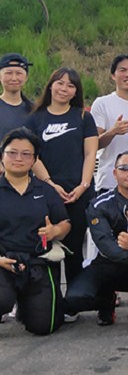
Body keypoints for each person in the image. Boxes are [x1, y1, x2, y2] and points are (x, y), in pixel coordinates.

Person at [62, 150, 128, 334]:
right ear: (115, 173)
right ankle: (106, 301)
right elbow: (105, 244)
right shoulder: (98, 204)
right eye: (124, 168)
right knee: (75, 298)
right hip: (109, 263)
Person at [25, 68, 98, 285]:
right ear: (51, 85)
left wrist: (83, 186)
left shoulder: (84, 117)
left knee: (74, 249)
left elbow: (90, 154)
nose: (64, 89)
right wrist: (50, 184)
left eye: (70, 85)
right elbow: (32, 156)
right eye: (60, 83)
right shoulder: (35, 119)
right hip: (45, 193)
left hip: (78, 193)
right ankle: (50, 297)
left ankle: (74, 298)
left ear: (76, 91)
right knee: (48, 249)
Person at [0, 127, 71, 335]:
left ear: (34, 160)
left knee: (44, 326)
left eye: (26, 154)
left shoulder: (45, 190)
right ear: (2, 156)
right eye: (12, 152)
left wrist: (54, 231)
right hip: (3, 261)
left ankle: (25, 306)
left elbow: (66, 223)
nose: (18, 158)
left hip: (37, 262)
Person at [91, 55, 128, 194]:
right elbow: (93, 145)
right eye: (122, 70)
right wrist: (113, 132)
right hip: (109, 181)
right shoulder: (102, 103)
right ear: (113, 75)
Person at [0, 53, 34, 145]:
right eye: (9, 73)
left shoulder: (34, 110)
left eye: (19, 73)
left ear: (26, 77)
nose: (14, 78)